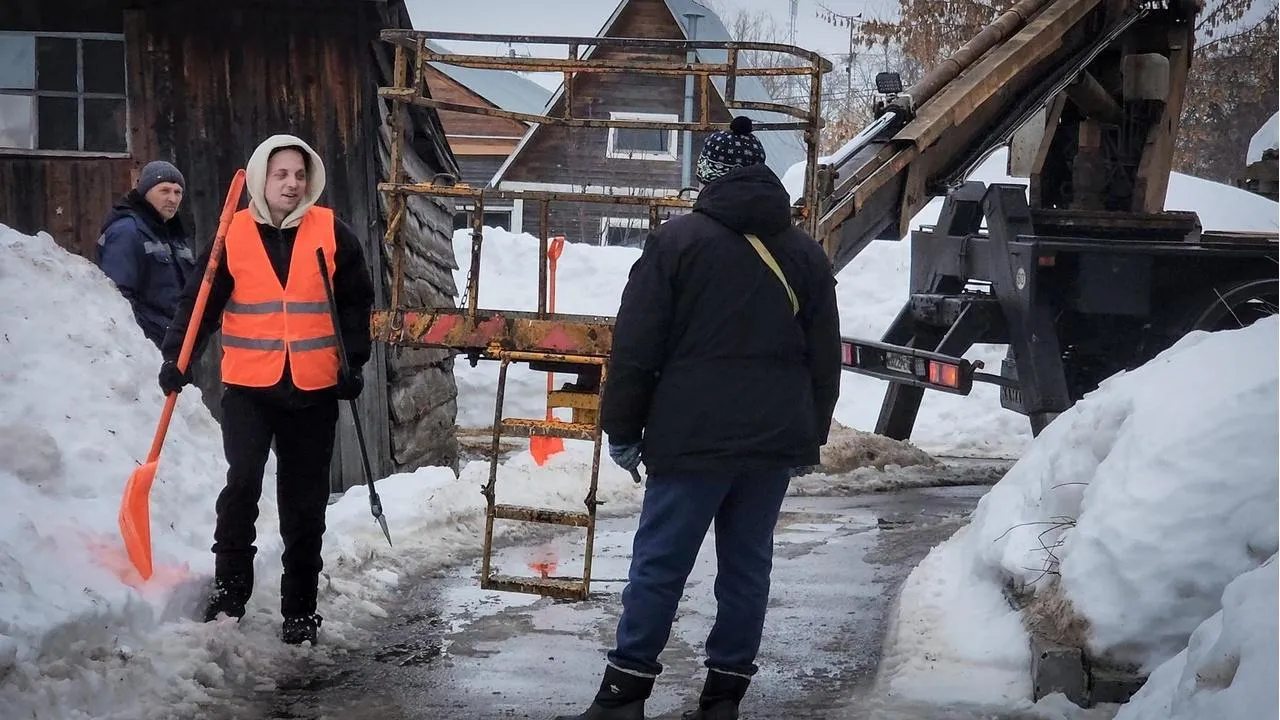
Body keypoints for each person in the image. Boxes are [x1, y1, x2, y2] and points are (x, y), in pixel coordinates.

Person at [560, 116, 843, 720]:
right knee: (747, 568)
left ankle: (624, 695)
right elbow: (825, 358)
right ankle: (723, 698)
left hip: (690, 441)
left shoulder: (677, 243)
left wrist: (622, 429)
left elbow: (637, 347)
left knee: (660, 564)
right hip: (771, 444)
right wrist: (807, 437)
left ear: (707, 174)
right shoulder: (807, 254)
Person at [158, 134, 375, 645]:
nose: (292, 184)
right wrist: (177, 357)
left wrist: (354, 363)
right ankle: (231, 589)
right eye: (281, 174)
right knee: (242, 486)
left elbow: (355, 305)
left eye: (300, 175)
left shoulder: (331, 232)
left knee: (305, 502)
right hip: (250, 387)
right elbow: (200, 304)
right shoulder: (232, 235)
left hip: (313, 389)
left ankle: (300, 608)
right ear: (260, 178)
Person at [96, 160, 196, 348]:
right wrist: (156, 335)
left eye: (178, 192)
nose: (172, 199)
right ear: (145, 192)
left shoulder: (174, 234)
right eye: (164, 191)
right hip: (148, 348)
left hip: (179, 348)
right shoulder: (127, 232)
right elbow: (117, 299)